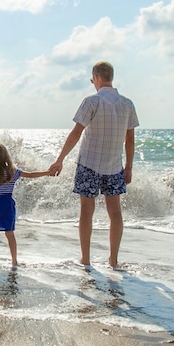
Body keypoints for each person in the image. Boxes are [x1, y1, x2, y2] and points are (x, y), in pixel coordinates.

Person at [49, 61, 139, 269]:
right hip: (115, 166)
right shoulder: (127, 104)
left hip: (89, 164)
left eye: (92, 80)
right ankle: (113, 260)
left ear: (96, 78)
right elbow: (130, 140)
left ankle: (86, 259)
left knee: (86, 211)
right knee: (115, 213)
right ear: (111, 78)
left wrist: (60, 159)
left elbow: (76, 133)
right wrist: (129, 167)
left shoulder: (92, 102)